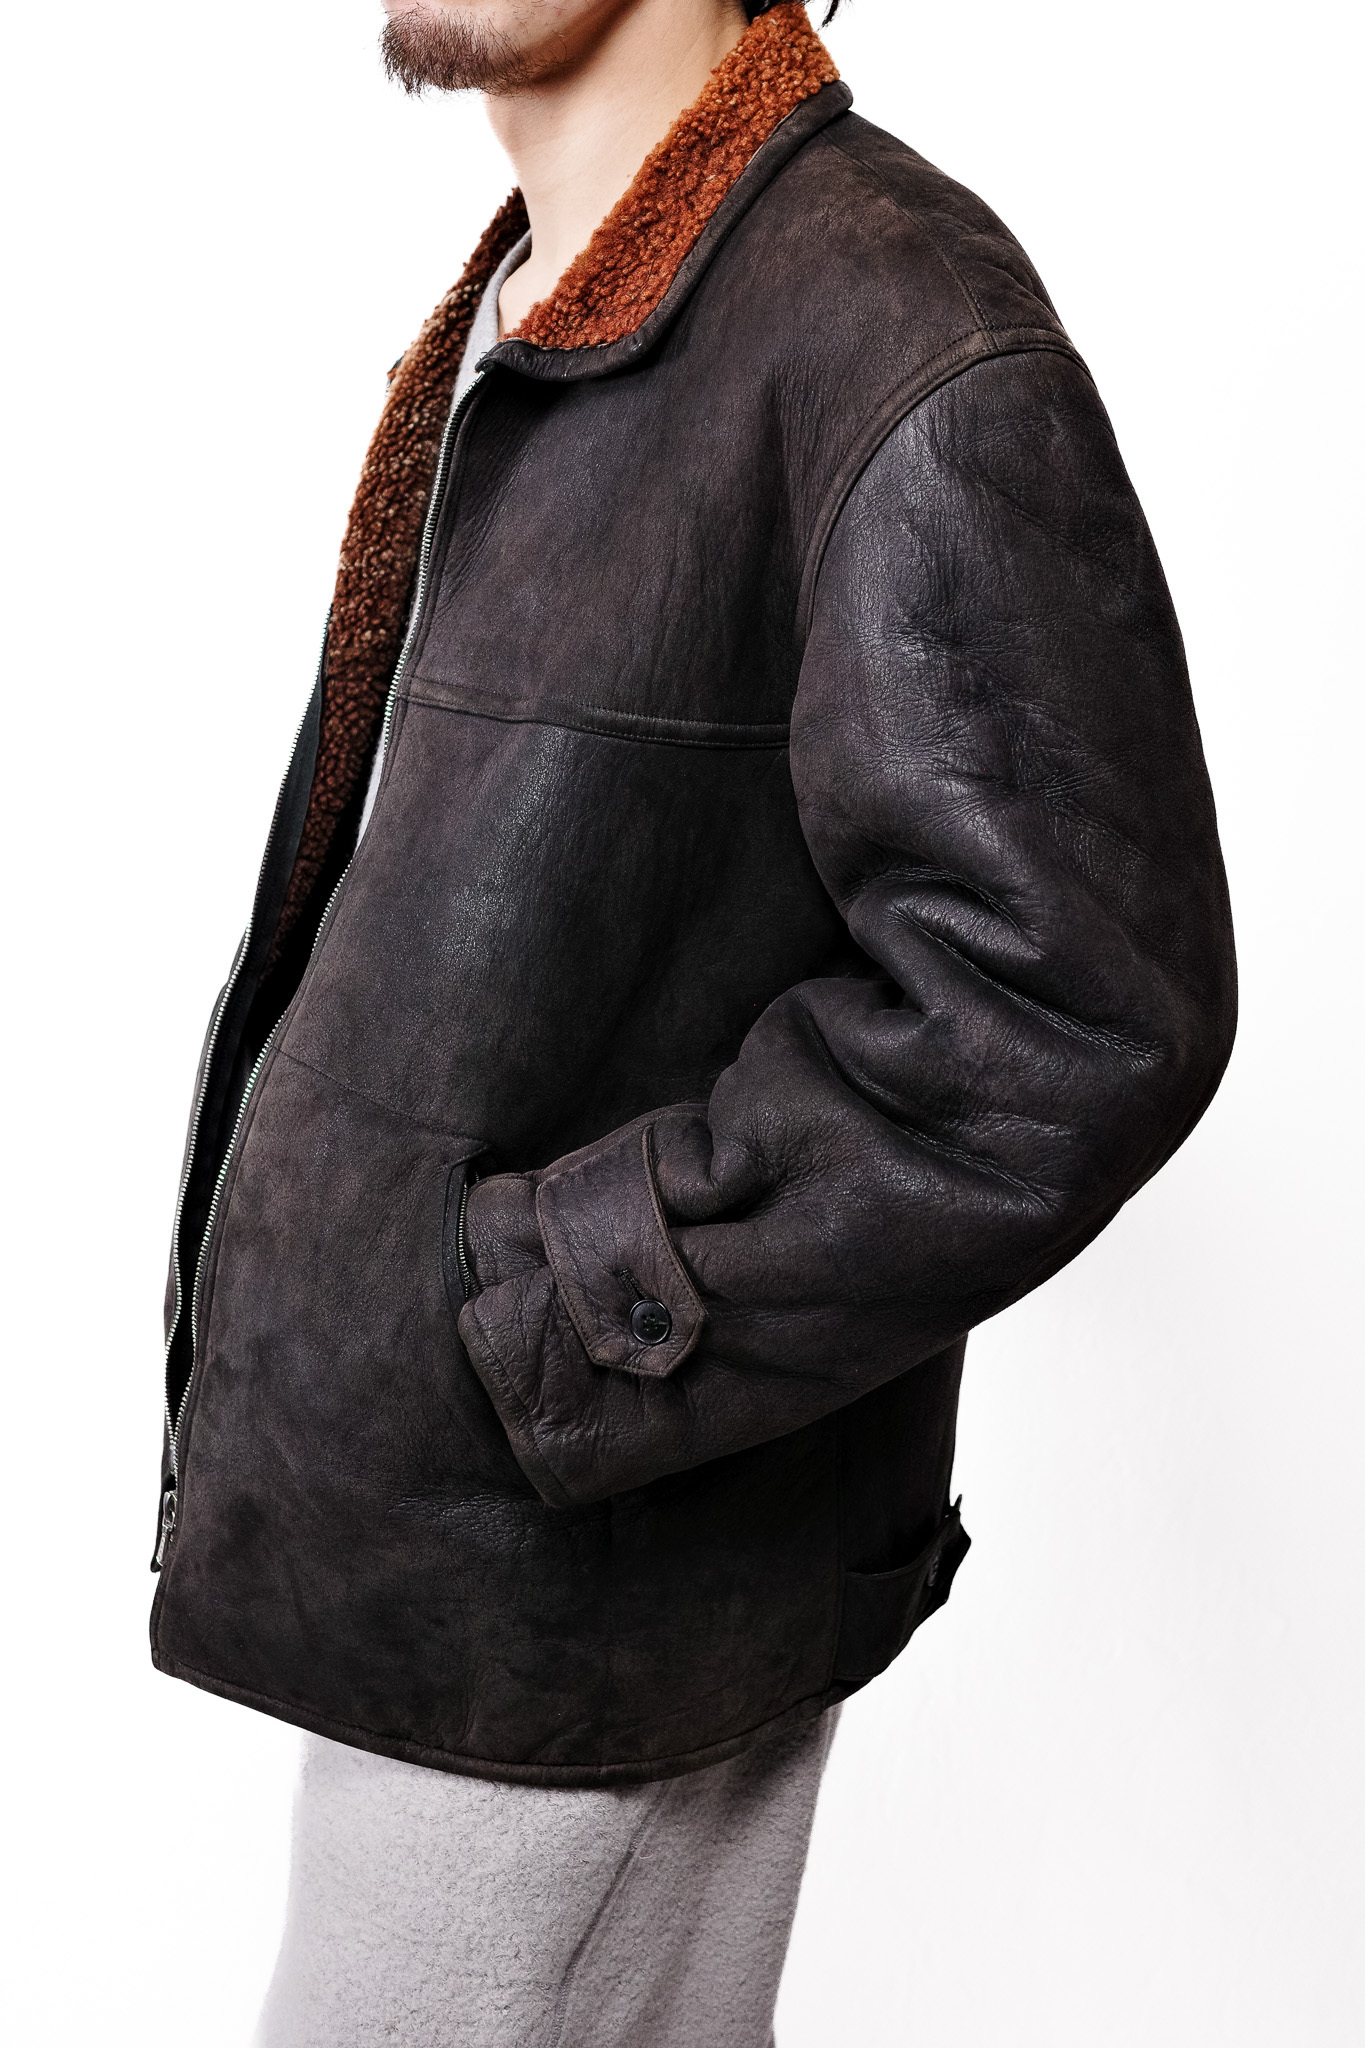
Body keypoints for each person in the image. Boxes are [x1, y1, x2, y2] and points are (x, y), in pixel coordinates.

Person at [149, 0, 1237, 2037]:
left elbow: (1078, 1001)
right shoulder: (550, 294)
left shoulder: (890, 324)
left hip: (568, 1614)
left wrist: (555, 1323)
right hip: (469, 1595)